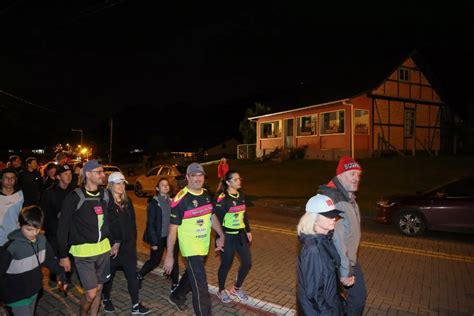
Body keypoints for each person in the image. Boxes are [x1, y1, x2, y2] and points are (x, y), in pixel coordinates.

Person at [163, 162, 225, 315]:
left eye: (201, 175)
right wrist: (170, 256)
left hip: (203, 246)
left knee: (192, 276)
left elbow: (211, 216)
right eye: (194, 175)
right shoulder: (180, 199)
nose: (198, 179)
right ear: (188, 177)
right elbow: (172, 230)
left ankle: (177, 296)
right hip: (190, 249)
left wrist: (221, 235)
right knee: (201, 286)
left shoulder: (205, 194)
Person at [57, 159, 111, 316]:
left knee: (99, 288)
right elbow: (63, 228)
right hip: (83, 253)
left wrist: (114, 242)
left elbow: (109, 221)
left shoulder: (104, 194)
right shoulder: (74, 197)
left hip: (104, 250)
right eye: (99, 172)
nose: (103, 175)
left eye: (103, 172)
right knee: (91, 293)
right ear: (88, 174)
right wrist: (63, 255)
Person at [319, 156, 366, 316]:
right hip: (339, 260)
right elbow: (337, 239)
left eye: (358, 175)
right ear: (340, 175)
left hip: (347, 258)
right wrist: (346, 270)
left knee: (338, 300)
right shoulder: (337, 200)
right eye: (352, 174)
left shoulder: (349, 198)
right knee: (357, 299)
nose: (356, 178)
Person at [0, 205, 67, 316]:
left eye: (38, 229)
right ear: (19, 225)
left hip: (34, 292)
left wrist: (62, 274)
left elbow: (50, 260)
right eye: (29, 229)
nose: (34, 233)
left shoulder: (41, 240)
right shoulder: (11, 247)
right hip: (16, 297)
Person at [101, 172, 151, 314]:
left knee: (132, 277)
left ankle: (135, 305)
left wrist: (133, 240)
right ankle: (106, 299)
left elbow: (133, 223)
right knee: (108, 278)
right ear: (111, 185)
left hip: (128, 248)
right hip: (112, 249)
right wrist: (114, 242)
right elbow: (106, 226)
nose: (122, 186)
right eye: (118, 183)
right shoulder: (105, 202)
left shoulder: (127, 201)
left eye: (123, 183)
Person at [297, 194, 347, 316]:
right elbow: (313, 293)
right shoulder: (313, 249)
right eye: (328, 216)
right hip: (320, 310)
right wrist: (327, 312)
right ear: (314, 218)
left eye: (334, 214)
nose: (333, 218)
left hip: (331, 302)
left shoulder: (326, 239)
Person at [215, 170, 252, 303]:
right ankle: (221, 290)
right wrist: (220, 237)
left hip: (241, 234)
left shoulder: (241, 194)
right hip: (228, 236)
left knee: (247, 263)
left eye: (239, 178)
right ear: (228, 182)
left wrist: (248, 230)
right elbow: (216, 219)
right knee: (226, 264)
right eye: (236, 179)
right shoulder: (222, 198)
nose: (239, 181)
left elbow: (244, 214)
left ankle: (236, 288)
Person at [138, 178, 179, 292]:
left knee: (174, 259)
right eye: (162, 185)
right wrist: (154, 242)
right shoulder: (154, 203)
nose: (165, 187)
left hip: (171, 236)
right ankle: (140, 275)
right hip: (158, 237)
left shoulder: (171, 201)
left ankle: (175, 284)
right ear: (157, 188)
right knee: (155, 261)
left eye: (167, 185)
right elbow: (150, 224)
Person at [40, 164, 74, 286]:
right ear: (58, 177)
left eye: (70, 174)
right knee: (56, 256)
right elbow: (45, 215)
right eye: (65, 174)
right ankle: (54, 276)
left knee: (70, 255)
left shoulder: (74, 191)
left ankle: (67, 277)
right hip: (54, 232)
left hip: (71, 232)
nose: (69, 176)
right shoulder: (49, 193)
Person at [0, 168, 24, 246]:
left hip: (16, 236)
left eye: (12, 178)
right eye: (6, 178)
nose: (9, 180)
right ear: (1, 180)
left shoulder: (21, 194)